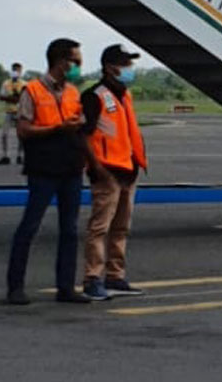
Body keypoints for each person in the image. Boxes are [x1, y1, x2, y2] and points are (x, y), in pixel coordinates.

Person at [6, 39, 91, 305]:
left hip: (70, 167)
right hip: (43, 168)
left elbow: (79, 125)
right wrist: (56, 129)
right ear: (61, 62)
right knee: (30, 226)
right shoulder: (32, 90)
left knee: (70, 230)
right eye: (75, 61)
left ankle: (66, 287)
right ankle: (15, 287)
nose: (78, 66)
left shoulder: (73, 92)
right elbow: (23, 130)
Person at [80, 45, 149, 300]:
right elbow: (84, 135)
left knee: (121, 228)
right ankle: (92, 278)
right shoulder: (94, 96)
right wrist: (97, 167)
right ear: (110, 68)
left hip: (128, 170)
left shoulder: (125, 95)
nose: (130, 69)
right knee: (99, 228)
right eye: (125, 64)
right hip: (107, 171)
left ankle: (115, 275)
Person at [0, 62, 27, 165]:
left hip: (20, 112)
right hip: (9, 111)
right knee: (4, 134)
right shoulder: (6, 83)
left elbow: (25, 98)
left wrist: (12, 98)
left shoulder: (24, 84)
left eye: (18, 70)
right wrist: (13, 98)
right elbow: (1, 96)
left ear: (21, 72)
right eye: (14, 70)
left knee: (21, 135)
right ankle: (5, 156)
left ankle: (19, 155)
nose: (16, 72)